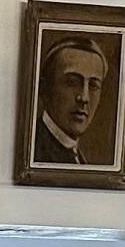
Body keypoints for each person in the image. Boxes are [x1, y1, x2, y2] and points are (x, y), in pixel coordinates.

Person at [28, 34, 113, 169]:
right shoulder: (33, 150)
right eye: (72, 82)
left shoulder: (77, 156)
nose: (84, 98)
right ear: (44, 89)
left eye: (93, 86)